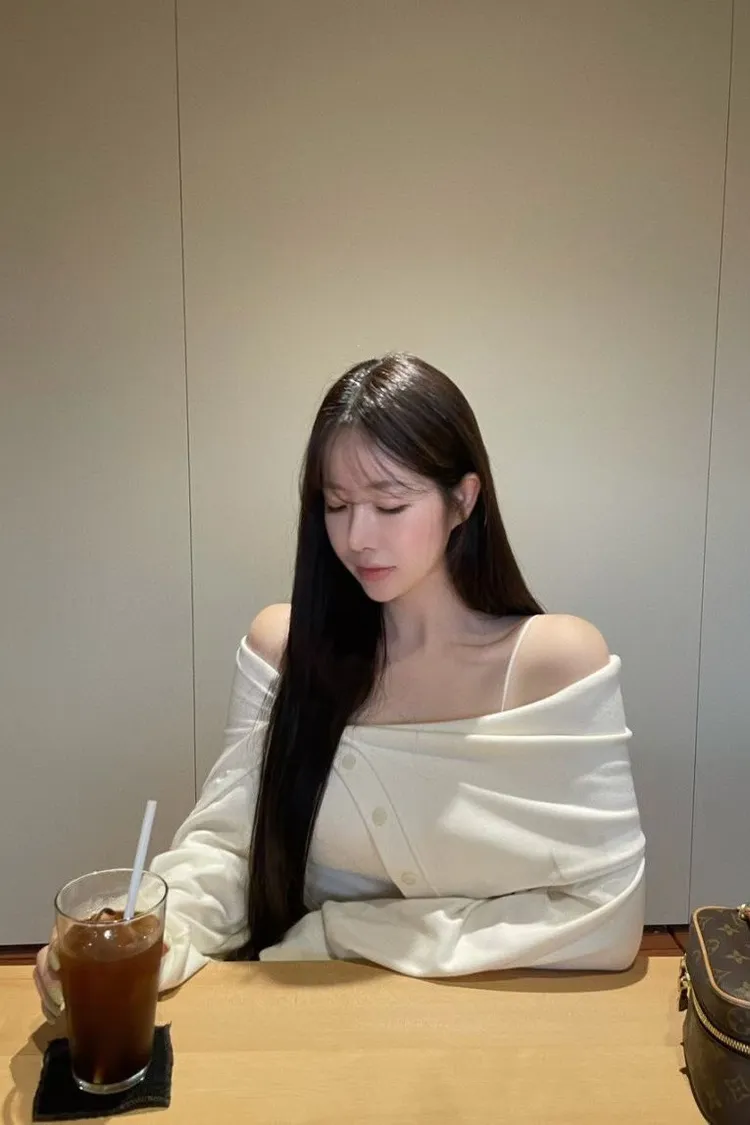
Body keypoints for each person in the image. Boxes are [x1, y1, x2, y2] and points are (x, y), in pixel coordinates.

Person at [36, 352, 645, 1019]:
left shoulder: (552, 664)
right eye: (337, 504)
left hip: (505, 1022)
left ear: (463, 500)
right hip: (316, 1019)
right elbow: (230, 851)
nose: (357, 537)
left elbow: (608, 920)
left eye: (389, 504)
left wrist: (339, 933)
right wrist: (152, 932)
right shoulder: (286, 651)